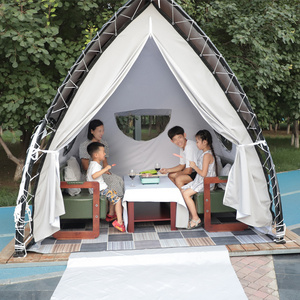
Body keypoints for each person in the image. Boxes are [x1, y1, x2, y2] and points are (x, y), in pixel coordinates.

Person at [79, 119, 124, 222]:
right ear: (92, 131)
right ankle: (114, 212)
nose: (102, 133)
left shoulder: (104, 143)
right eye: (99, 131)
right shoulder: (85, 145)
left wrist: (107, 170)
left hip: (101, 171)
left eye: (103, 130)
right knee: (113, 181)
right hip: (90, 174)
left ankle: (112, 212)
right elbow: (86, 167)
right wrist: (103, 171)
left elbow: (105, 162)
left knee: (117, 178)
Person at [181, 130, 217, 229]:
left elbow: (204, 174)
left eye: (197, 141)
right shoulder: (204, 154)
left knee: (185, 194)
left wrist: (194, 166)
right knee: (183, 190)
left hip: (206, 183)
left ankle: (196, 218)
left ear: (204, 142)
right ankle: (191, 215)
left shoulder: (207, 155)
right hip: (201, 181)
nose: (196, 143)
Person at [86, 142, 125, 232]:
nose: (105, 154)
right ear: (96, 155)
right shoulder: (95, 165)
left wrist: (104, 170)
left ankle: (111, 214)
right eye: (103, 152)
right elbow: (94, 176)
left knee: (113, 193)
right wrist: (105, 169)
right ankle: (119, 222)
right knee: (118, 200)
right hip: (99, 190)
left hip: (99, 189)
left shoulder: (93, 164)